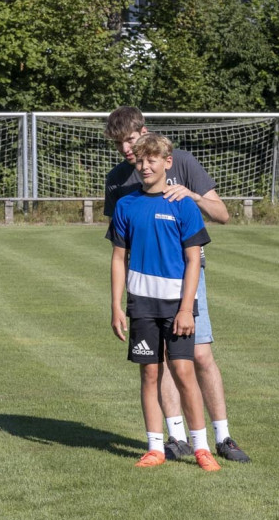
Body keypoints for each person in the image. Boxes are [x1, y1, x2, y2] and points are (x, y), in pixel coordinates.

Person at [102, 106, 250, 463]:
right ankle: (175, 437)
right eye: (120, 144)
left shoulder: (179, 160)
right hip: (146, 285)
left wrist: (190, 195)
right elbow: (122, 243)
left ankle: (222, 436)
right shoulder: (118, 180)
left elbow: (223, 215)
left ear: (146, 131)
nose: (128, 150)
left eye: (132, 139)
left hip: (184, 275)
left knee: (198, 355)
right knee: (159, 362)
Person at [109, 133, 219, 472]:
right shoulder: (126, 204)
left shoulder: (183, 204)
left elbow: (193, 261)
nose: (144, 166)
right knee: (149, 374)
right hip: (142, 305)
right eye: (140, 160)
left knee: (184, 372)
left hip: (177, 307)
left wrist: (187, 308)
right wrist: (116, 306)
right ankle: (155, 447)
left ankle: (201, 447)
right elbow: (117, 259)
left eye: (151, 160)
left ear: (167, 163)